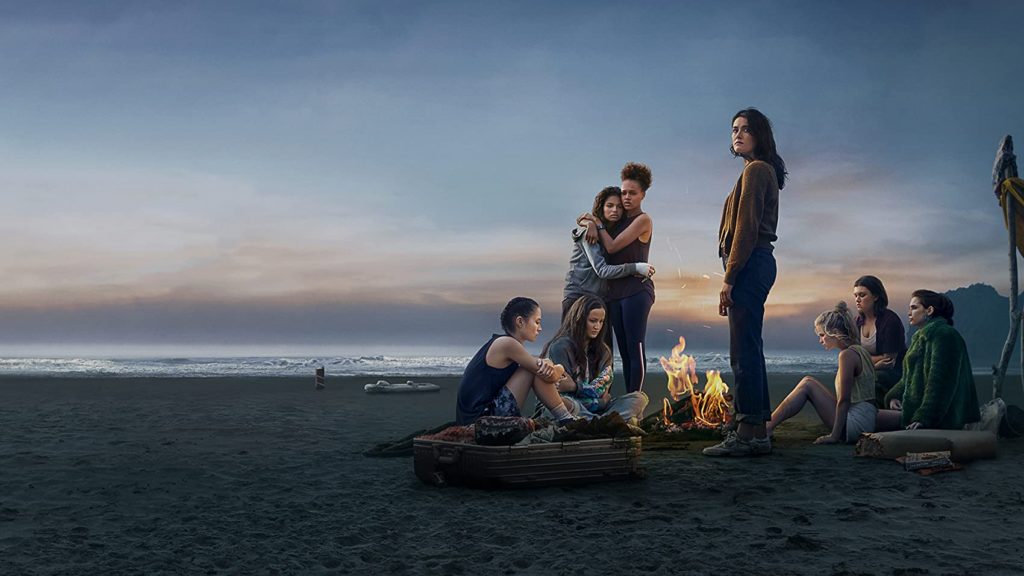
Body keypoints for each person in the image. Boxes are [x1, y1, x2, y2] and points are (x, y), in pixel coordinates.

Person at [705, 107, 786, 457]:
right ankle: (754, 430)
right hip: (754, 264)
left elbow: (746, 230)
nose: (737, 135)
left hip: (750, 264)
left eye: (745, 129)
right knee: (750, 349)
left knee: (744, 353)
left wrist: (729, 278)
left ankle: (748, 434)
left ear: (760, 135)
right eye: (733, 129)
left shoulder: (756, 171)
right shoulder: (756, 171)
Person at [580, 162, 655, 394]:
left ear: (643, 194)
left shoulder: (643, 220)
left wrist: (597, 224)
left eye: (632, 193)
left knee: (635, 348)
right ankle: (621, 399)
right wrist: (590, 222)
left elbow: (611, 248)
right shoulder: (616, 219)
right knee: (621, 351)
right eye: (624, 192)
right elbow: (584, 218)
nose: (626, 198)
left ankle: (634, 402)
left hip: (637, 290)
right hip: (614, 293)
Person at [766, 302, 877, 444]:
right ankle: (768, 425)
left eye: (822, 335)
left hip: (852, 426)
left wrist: (834, 436)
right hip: (867, 421)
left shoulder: (847, 355)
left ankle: (768, 426)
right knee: (808, 381)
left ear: (835, 332)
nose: (820, 340)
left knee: (807, 383)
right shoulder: (861, 351)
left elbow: (844, 400)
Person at [455, 297, 576, 425]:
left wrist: (547, 363)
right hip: (482, 421)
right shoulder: (507, 344)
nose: (540, 328)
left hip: (478, 416)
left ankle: (565, 418)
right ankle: (566, 419)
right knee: (531, 370)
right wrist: (560, 368)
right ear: (520, 322)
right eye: (537, 322)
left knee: (534, 366)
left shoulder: (505, 343)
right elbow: (549, 375)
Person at [564, 186, 655, 353]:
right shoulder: (588, 233)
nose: (615, 210)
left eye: (619, 207)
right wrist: (636, 267)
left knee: (604, 356)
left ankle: (602, 381)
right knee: (573, 355)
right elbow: (602, 271)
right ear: (601, 207)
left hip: (600, 300)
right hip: (578, 298)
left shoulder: (610, 234)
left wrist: (594, 223)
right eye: (610, 205)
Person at [536, 294, 649, 422]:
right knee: (564, 403)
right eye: (593, 321)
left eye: (601, 322)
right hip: (570, 407)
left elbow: (600, 389)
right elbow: (562, 392)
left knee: (639, 398)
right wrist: (601, 402)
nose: (597, 326)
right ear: (579, 319)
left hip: (592, 409)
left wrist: (575, 387)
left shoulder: (604, 351)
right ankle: (604, 422)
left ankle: (596, 422)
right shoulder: (560, 347)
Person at [879, 290, 981, 430]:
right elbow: (908, 379)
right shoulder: (919, 337)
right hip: (915, 410)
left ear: (929, 310)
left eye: (914, 308)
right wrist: (894, 396)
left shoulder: (945, 335)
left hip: (944, 418)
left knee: (865, 420)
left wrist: (925, 417)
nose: (909, 313)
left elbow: (940, 383)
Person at [852, 275, 907, 406]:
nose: (857, 300)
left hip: (894, 373)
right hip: (872, 369)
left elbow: (889, 360)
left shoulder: (890, 320)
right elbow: (853, 355)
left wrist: (862, 361)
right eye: (855, 296)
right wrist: (873, 364)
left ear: (876, 296)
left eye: (862, 295)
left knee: (876, 378)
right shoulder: (856, 322)